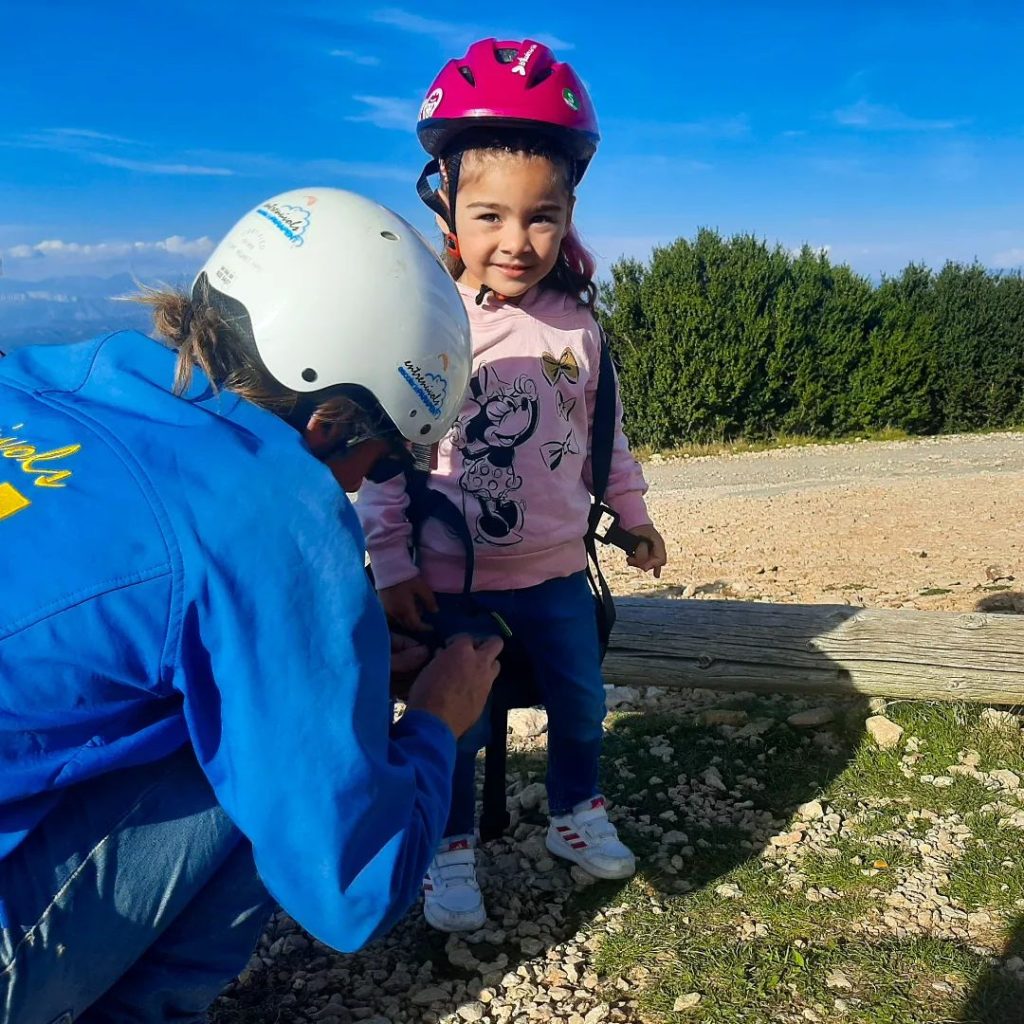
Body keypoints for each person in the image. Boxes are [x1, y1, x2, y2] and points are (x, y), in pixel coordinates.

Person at [0, 187, 503, 1023]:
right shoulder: (268, 501)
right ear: (330, 420)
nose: (374, 482)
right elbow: (353, 885)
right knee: (258, 757)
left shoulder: (58, 375)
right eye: (383, 461)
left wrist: (324, 640)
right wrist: (436, 722)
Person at [356, 40, 668, 934]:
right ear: (445, 201)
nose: (517, 240)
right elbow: (390, 459)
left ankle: (576, 815)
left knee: (581, 704)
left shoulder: (577, 327)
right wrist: (388, 564)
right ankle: (448, 850)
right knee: (455, 723)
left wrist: (633, 516)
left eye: (543, 216)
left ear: (569, 214)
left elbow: (600, 437)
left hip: (560, 572)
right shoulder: (430, 323)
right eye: (489, 215)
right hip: (452, 583)